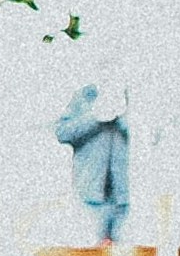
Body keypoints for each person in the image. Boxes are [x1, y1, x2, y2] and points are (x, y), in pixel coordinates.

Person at [56, 82, 133, 246]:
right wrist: (96, 117)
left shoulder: (136, 96)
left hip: (128, 197)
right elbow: (62, 133)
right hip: (90, 196)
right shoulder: (83, 97)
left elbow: (151, 137)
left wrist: (121, 118)